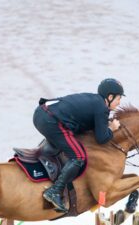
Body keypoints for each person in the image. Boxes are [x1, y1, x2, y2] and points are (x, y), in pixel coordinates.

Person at [33, 78, 124, 212]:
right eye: (118, 98)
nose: (119, 102)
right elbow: (102, 138)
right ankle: (54, 191)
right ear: (110, 97)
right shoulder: (102, 108)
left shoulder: (95, 101)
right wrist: (112, 129)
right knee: (78, 156)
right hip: (50, 120)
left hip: (41, 114)